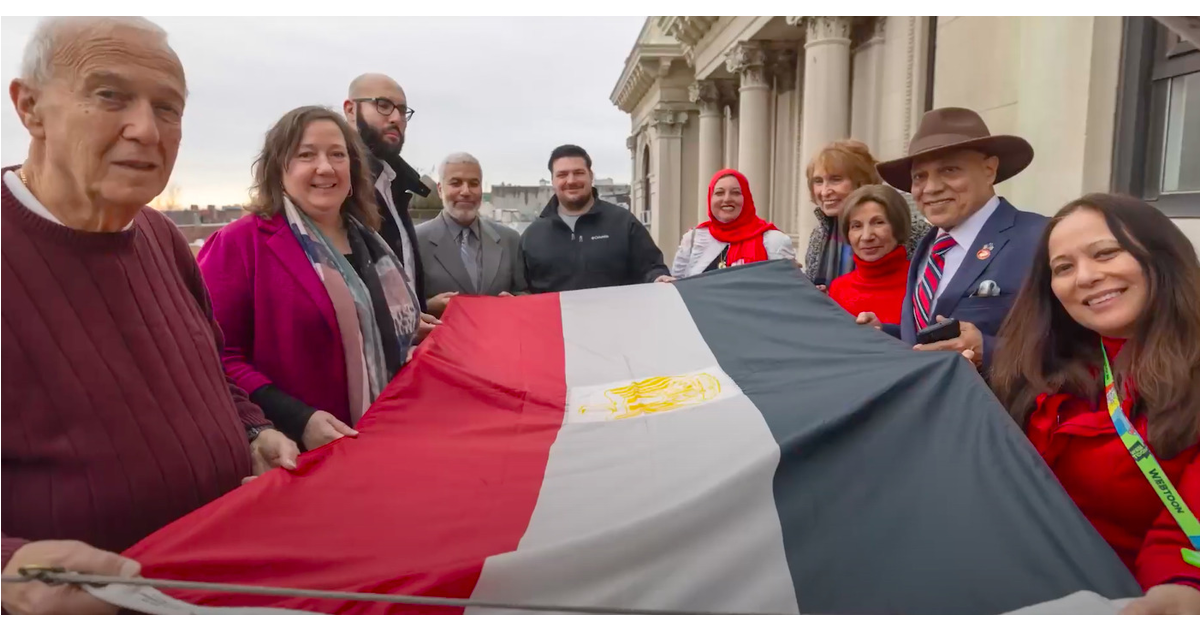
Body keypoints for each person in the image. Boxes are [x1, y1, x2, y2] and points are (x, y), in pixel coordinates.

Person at [1, 17, 298, 615]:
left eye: (168, 108)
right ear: (30, 108)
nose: (145, 130)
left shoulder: (162, 236)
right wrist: (7, 574)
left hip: (213, 585)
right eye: (110, 95)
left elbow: (207, 366)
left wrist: (251, 431)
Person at [991, 193, 1200, 615]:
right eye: (1063, 267)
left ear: (1160, 257)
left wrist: (1181, 587)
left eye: (1105, 253)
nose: (1085, 277)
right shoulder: (1037, 371)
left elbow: (1183, 530)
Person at [198, 106, 420, 453]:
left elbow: (359, 323)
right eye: (306, 155)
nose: (325, 167)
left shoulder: (372, 243)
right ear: (278, 167)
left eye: (337, 154)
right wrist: (296, 418)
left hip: (390, 438)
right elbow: (214, 355)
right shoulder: (241, 244)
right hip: (299, 451)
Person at [857, 107, 1048, 374]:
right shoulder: (928, 247)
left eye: (949, 170)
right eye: (919, 176)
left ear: (989, 170)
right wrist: (884, 332)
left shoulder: (1041, 239)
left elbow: (1079, 347)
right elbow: (933, 339)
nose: (931, 187)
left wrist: (989, 350)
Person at [343, 73, 444, 329]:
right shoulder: (339, 187)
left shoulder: (396, 185)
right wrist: (400, 326)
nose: (396, 118)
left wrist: (421, 306)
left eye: (402, 110)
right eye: (384, 105)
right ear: (350, 110)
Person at [521, 144, 671, 293]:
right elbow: (522, 290)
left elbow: (651, 268)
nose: (571, 181)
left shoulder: (623, 223)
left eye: (579, 173)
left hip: (616, 316)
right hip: (553, 317)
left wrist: (658, 278)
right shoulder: (532, 236)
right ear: (552, 180)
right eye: (562, 175)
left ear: (591, 176)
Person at [802, 140, 930, 290]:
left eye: (835, 180)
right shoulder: (819, 235)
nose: (825, 191)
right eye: (818, 181)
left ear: (862, 182)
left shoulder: (912, 230)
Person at [415, 152, 526, 315]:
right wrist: (428, 306)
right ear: (440, 189)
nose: (466, 191)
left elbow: (524, 293)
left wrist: (516, 302)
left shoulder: (509, 239)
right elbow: (400, 307)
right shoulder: (416, 241)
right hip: (443, 339)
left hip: (498, 337)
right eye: (456, 183)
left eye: (474, 183)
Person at [670, 168, 795, 278]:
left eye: (736, 193)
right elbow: (677, 286)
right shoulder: (693, 239)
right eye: (719, 193)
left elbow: (789, 290)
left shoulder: (773, 241)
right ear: (710, 198)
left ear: (746, 197)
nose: (727, 199)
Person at [827, 185, 912, 324]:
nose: (866, 236)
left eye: (878, 223)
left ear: (898, 227)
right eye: (856, 226)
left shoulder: (921, 282)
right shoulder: (838, 289)